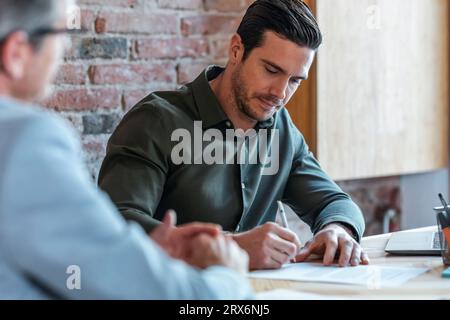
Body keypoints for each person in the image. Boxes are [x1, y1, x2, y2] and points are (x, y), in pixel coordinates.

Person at [0, 0, 252, 299]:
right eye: (61, 34)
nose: (65, 49)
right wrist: (227, 276)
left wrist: (134, 257)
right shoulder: (24, 140)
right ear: (16, 52)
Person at [98, 0, 370, 270]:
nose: (280, 93)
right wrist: (231, 247)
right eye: (271, 70)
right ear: (236, 50)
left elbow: (335, 202)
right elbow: (115, 224)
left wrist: (338, 230)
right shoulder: (156, 120)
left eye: (295, 80)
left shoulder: (280, 128)